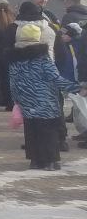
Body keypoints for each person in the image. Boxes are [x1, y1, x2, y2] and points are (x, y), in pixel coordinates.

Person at [9, 22, 86, 170]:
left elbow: (12, 83)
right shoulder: (43, 59)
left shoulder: (14, 60)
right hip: (45, 101)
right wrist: (77, 88)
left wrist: (17, 100)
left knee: (31, 131)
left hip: (26, 101)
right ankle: (50, 161)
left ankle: (35, 160)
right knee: (48, 132)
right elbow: (56, 79)